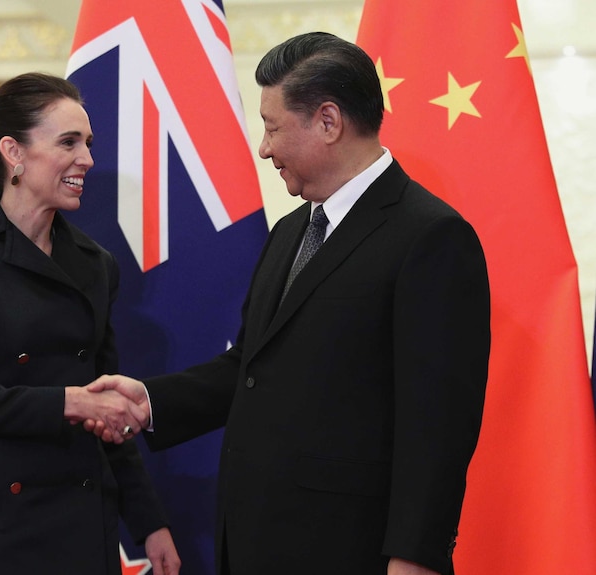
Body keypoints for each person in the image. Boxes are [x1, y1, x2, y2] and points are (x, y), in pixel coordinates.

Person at [86, 32, 490, 575]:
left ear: (328, 121)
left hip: (351, 551)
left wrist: (414, 560)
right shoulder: (291, 230)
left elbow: (437, 430)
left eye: (273, 127)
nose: (263, 147)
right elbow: (252, 367)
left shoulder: (431, 237)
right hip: (255, 544)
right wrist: (149, 403)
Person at [0, 72, 180, 575]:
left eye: (88, 143)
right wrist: (69, 402)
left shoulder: (95, 264)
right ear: (14, 152)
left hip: (74, 526)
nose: (88, 159)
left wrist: (148, 522)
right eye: (68, 142)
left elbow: (107, 402)